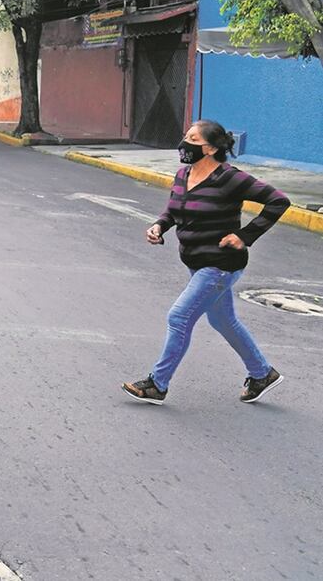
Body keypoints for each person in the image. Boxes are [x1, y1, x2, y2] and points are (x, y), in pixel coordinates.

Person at [122, 119, 290, 406]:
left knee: (179, 317)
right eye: (186, 136)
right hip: (196, 263)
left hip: (221, 264)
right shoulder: (182, 174)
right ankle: (262, 373)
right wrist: (159, 226)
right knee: (223, 320)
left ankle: (157, 385)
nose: (184, 144)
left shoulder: (230, 178)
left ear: (211, 148)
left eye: (193, 139)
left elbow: (278, 201)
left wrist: (245, 236)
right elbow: (174, 211)